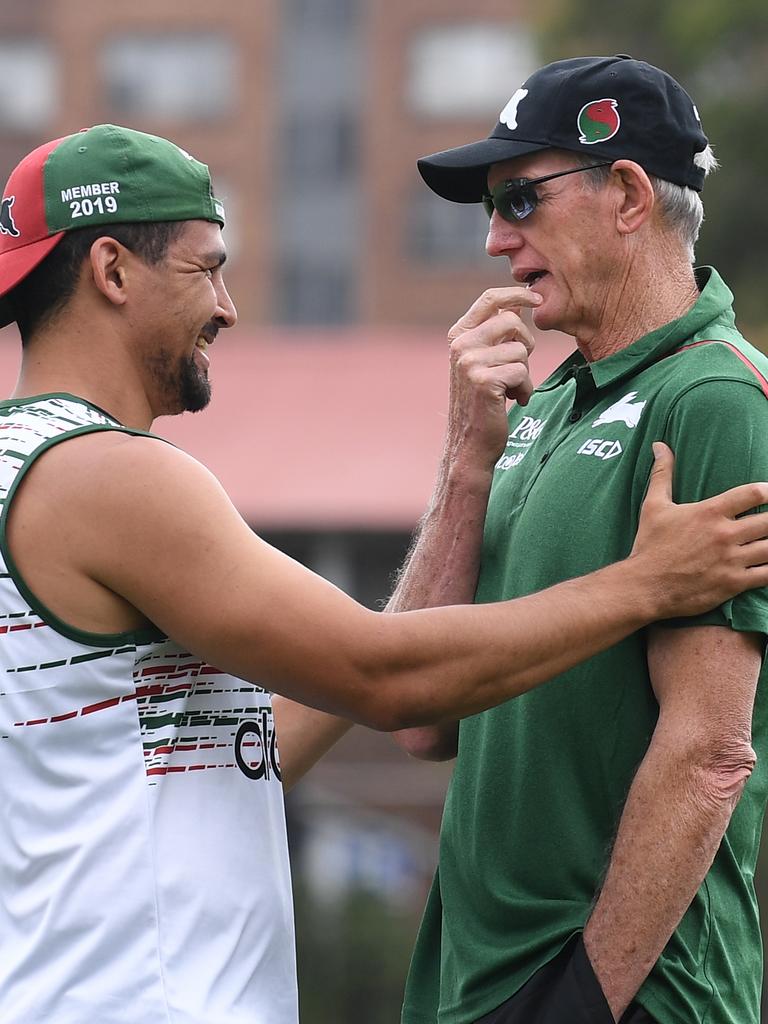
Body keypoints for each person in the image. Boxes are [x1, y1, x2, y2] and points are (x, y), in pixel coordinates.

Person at [0, 126, 764, 1024]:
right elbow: (386, 676)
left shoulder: (23, 460)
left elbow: (251, 749)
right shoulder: (111, 474)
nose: (228, 306)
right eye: (205, 268)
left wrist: (464, 472)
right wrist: (645, 585)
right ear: (113, 271)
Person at [392, 54, 768, 1024]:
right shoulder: (544, 401)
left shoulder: (718, 396)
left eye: (519, 200)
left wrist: (579, 999)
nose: (491, 240)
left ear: (631, 196)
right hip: (481, 986)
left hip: (628, 994)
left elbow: (710, 752)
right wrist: (466, 461)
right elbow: (422, 714)